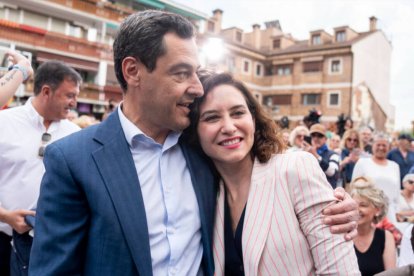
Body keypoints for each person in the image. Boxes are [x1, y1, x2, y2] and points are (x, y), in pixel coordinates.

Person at [29, 10, 359, 276]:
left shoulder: (201, 151)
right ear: (133, 71)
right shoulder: (73, 159)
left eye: (197, 73)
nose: (197, 87)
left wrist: (343, 205)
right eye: (182, 73)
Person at [185, 72, 360, 275]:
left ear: (253, 119)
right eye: (212, 117)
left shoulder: (295, 168)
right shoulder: (205, 194)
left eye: (238, 113)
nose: (229, 127)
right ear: (194, 131)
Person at [0, 60, 81, 275]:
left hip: (47, 246)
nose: (74, 103)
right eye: (70, 95)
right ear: (47, 91)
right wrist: (5, 215)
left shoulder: (75, 133)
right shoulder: (4, 122)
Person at [350, 177, 396, 276]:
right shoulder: (342, 236)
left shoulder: (386, 237)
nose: (357, 210)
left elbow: (391, 274)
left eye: (363, 205)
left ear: (377, 210)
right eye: (353, 205)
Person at [353, 133, 400, 225]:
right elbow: (354, 188)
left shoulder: (394, 166)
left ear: (389, 147)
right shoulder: (363, 163)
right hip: (368, 213)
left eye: (384, 145)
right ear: (372, 146)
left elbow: (397, 193)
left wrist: (396, 211)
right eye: (378, 145)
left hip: (390, 213)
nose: (381, 148)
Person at [306, 123, 340, 188]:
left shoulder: (333, 154)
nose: (316, 138)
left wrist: (316, 156)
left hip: (327, 193)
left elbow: (332, 172)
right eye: (313, 135)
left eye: (320, 135)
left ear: (325, 139)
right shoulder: (305, 153)